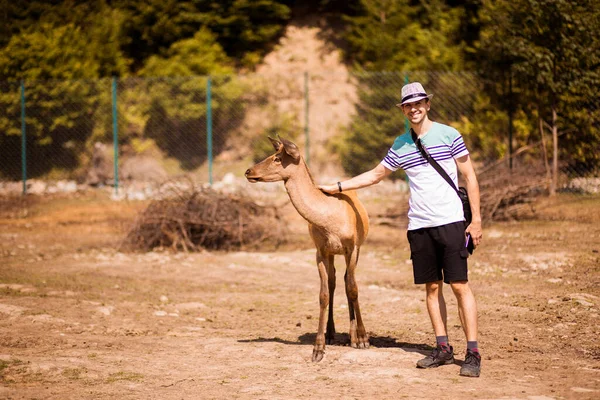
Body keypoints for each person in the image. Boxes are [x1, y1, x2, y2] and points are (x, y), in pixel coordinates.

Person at [319, 82, 483, 377]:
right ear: (403, 110)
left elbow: (469, 176)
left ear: (428, 104)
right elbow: (376, 175)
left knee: (459, 286)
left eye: (419, 103)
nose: (414, 108)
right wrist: (337, 186)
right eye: (408, 105)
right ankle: (443, 348)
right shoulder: (401, 144)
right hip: (419, 225)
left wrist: (477, 220)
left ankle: (472, 352)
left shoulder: (449, 134)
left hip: (451, 221)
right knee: (431, 288)